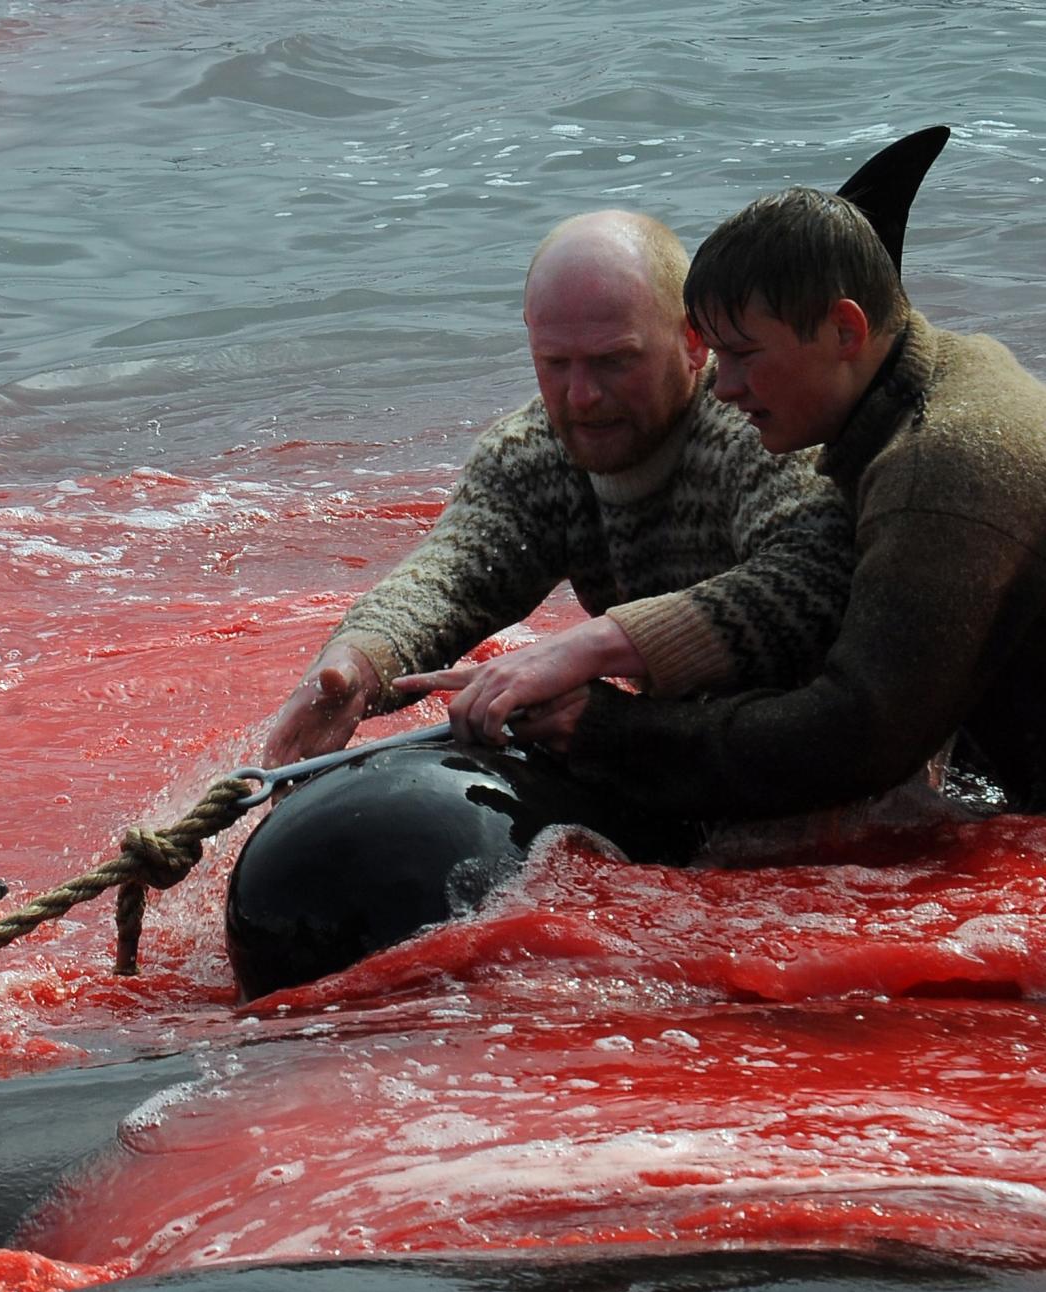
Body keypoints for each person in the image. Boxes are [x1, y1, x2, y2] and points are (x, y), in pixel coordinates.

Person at [450, 184, 1046, 818]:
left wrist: (604, 729)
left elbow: (856, 741)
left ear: (846, 328)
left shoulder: (938, 466)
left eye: (741, 354)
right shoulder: (944, 379)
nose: (724, 387)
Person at [263, 210, 855, 769]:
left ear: (693, 341)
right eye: (554, 363)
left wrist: (584, 651)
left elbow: (808, 583)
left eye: (614, 361)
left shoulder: (762, 426)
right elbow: (449, 579)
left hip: (831, 726)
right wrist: (358, 663)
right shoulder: (531, 455)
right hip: (696, 727)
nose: (581, 397)